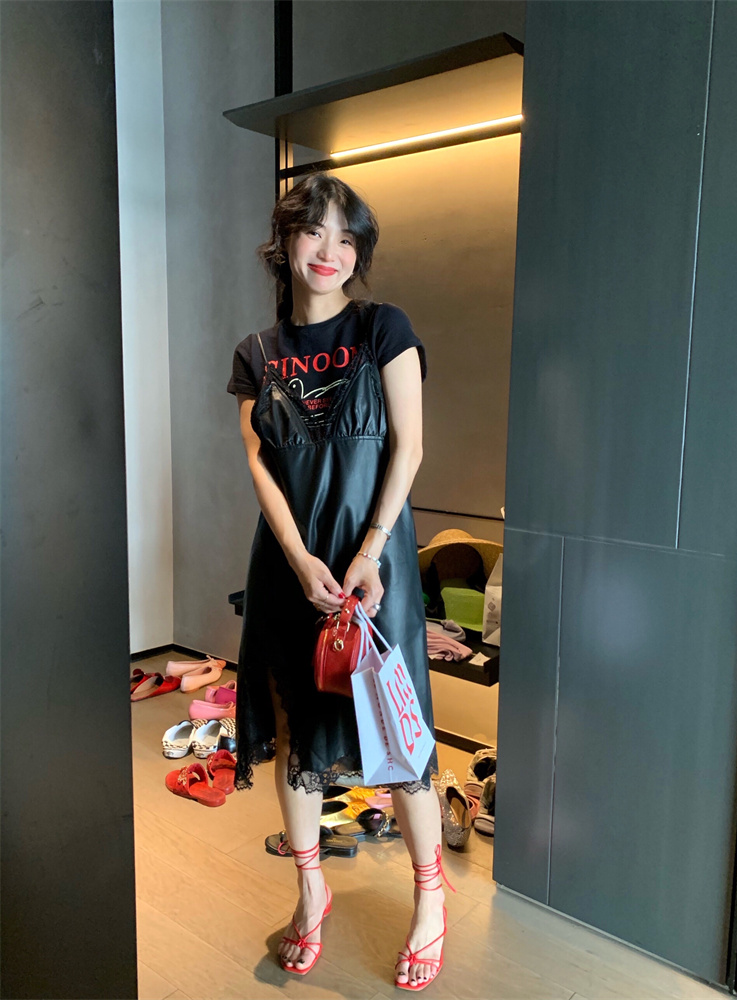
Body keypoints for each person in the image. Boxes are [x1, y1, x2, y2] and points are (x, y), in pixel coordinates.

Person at [226, 173, 452, 991]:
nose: (331, 251)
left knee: (399, 732)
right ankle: (311, 889)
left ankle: (431, 898)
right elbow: (260, 465)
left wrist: (371, 552)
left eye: (347, 238)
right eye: (316, 231)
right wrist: (297, 559)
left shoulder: (382, 327)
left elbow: (409, 447)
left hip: (372, 560)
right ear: (284, 240)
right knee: (296, 729)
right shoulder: (256, 354)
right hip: (292, 567)